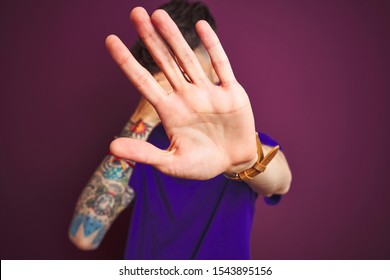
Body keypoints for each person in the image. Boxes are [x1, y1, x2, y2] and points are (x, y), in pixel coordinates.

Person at [69, 0, 292, 259]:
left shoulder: (241, 142)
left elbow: (282, 181)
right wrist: (143, 117)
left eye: (185, 67)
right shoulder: (144, 148)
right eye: (164, 70)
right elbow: (83, 235)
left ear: (210, 66)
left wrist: (243, 160)